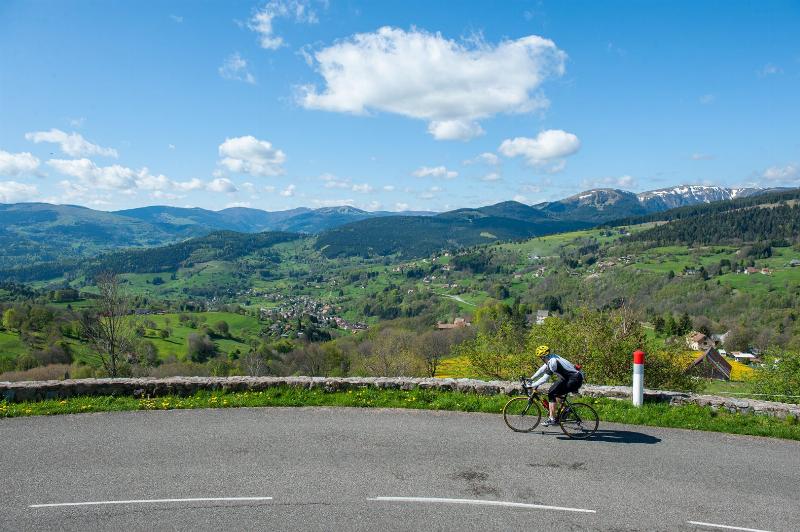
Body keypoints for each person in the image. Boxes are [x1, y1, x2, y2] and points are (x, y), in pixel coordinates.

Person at [529, 345, 584, 426]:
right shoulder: (551, 357)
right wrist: (531, 378)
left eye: (541, 357)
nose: (541, 359)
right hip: (568, 378)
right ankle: (565, 409)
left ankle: (552, 419)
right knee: (554, 391)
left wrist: (531, 385)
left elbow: (544, 379)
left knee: (551, 393)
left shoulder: (553, 362)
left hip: (574, 380)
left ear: (544, 356)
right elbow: (542, 369)